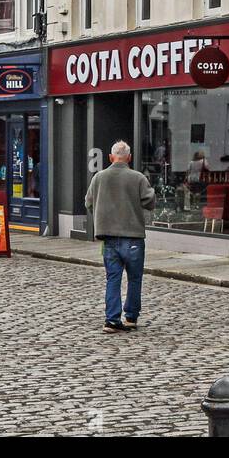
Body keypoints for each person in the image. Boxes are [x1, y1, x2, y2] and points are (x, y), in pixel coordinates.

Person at [84, 140, 155, 334]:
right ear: (129, 158)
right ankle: (131, 317)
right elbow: (150, 201)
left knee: (112, 279)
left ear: (110, 157)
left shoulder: (99, 177)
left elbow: (88, 202)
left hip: (108, 238)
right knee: (134, 278)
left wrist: (102, 217)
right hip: (133, 237)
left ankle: (112, 320)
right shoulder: (137, 178)